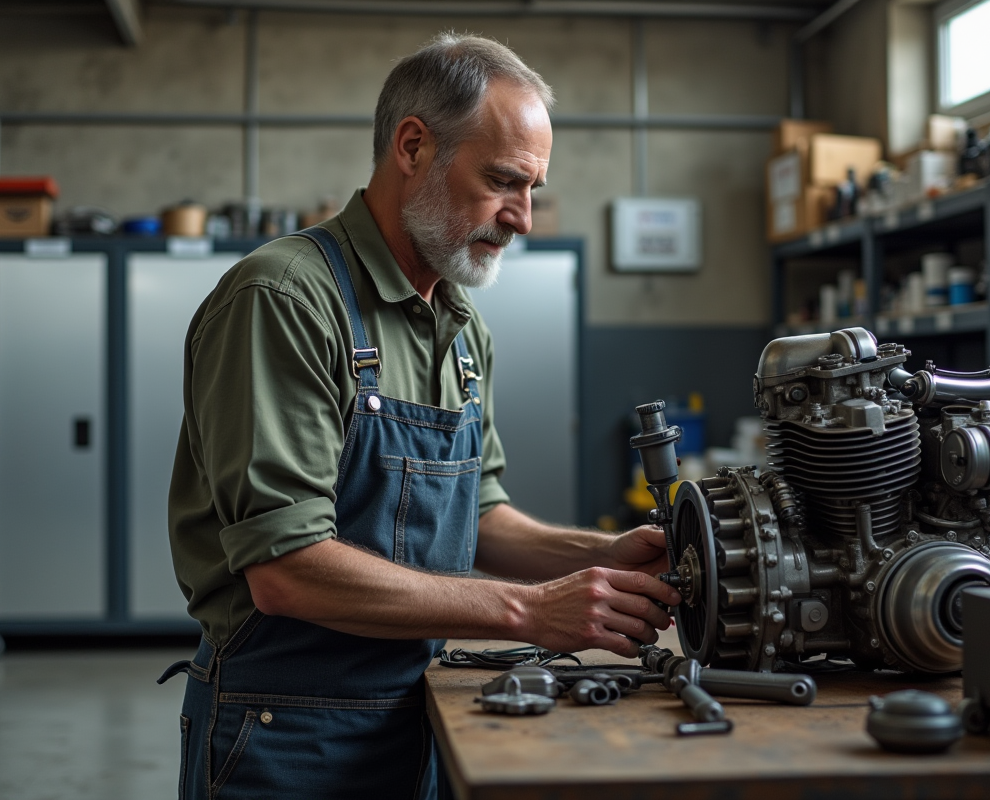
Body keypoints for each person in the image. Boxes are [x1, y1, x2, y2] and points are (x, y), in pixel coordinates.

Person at [160, 32, 681, 800]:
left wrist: (604, 557)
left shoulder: (461, 329)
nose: (523, 218)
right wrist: (531, 610)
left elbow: (482, 515)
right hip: (283, 730)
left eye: (533, 188)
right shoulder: (285, 299)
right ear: (413, 147)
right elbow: (286, 570)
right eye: (503, 181)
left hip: (418, 708)